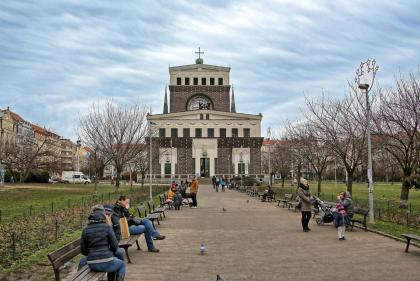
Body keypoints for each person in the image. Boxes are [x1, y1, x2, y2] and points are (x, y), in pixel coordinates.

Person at [79, 205, 125, 281]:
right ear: (103, 214)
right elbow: (115, 247)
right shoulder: (107, 227)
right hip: (107, 261)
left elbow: (83, 251)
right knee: (121, 265)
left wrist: (93, 254)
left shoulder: (85, 230)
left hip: (92, 264)